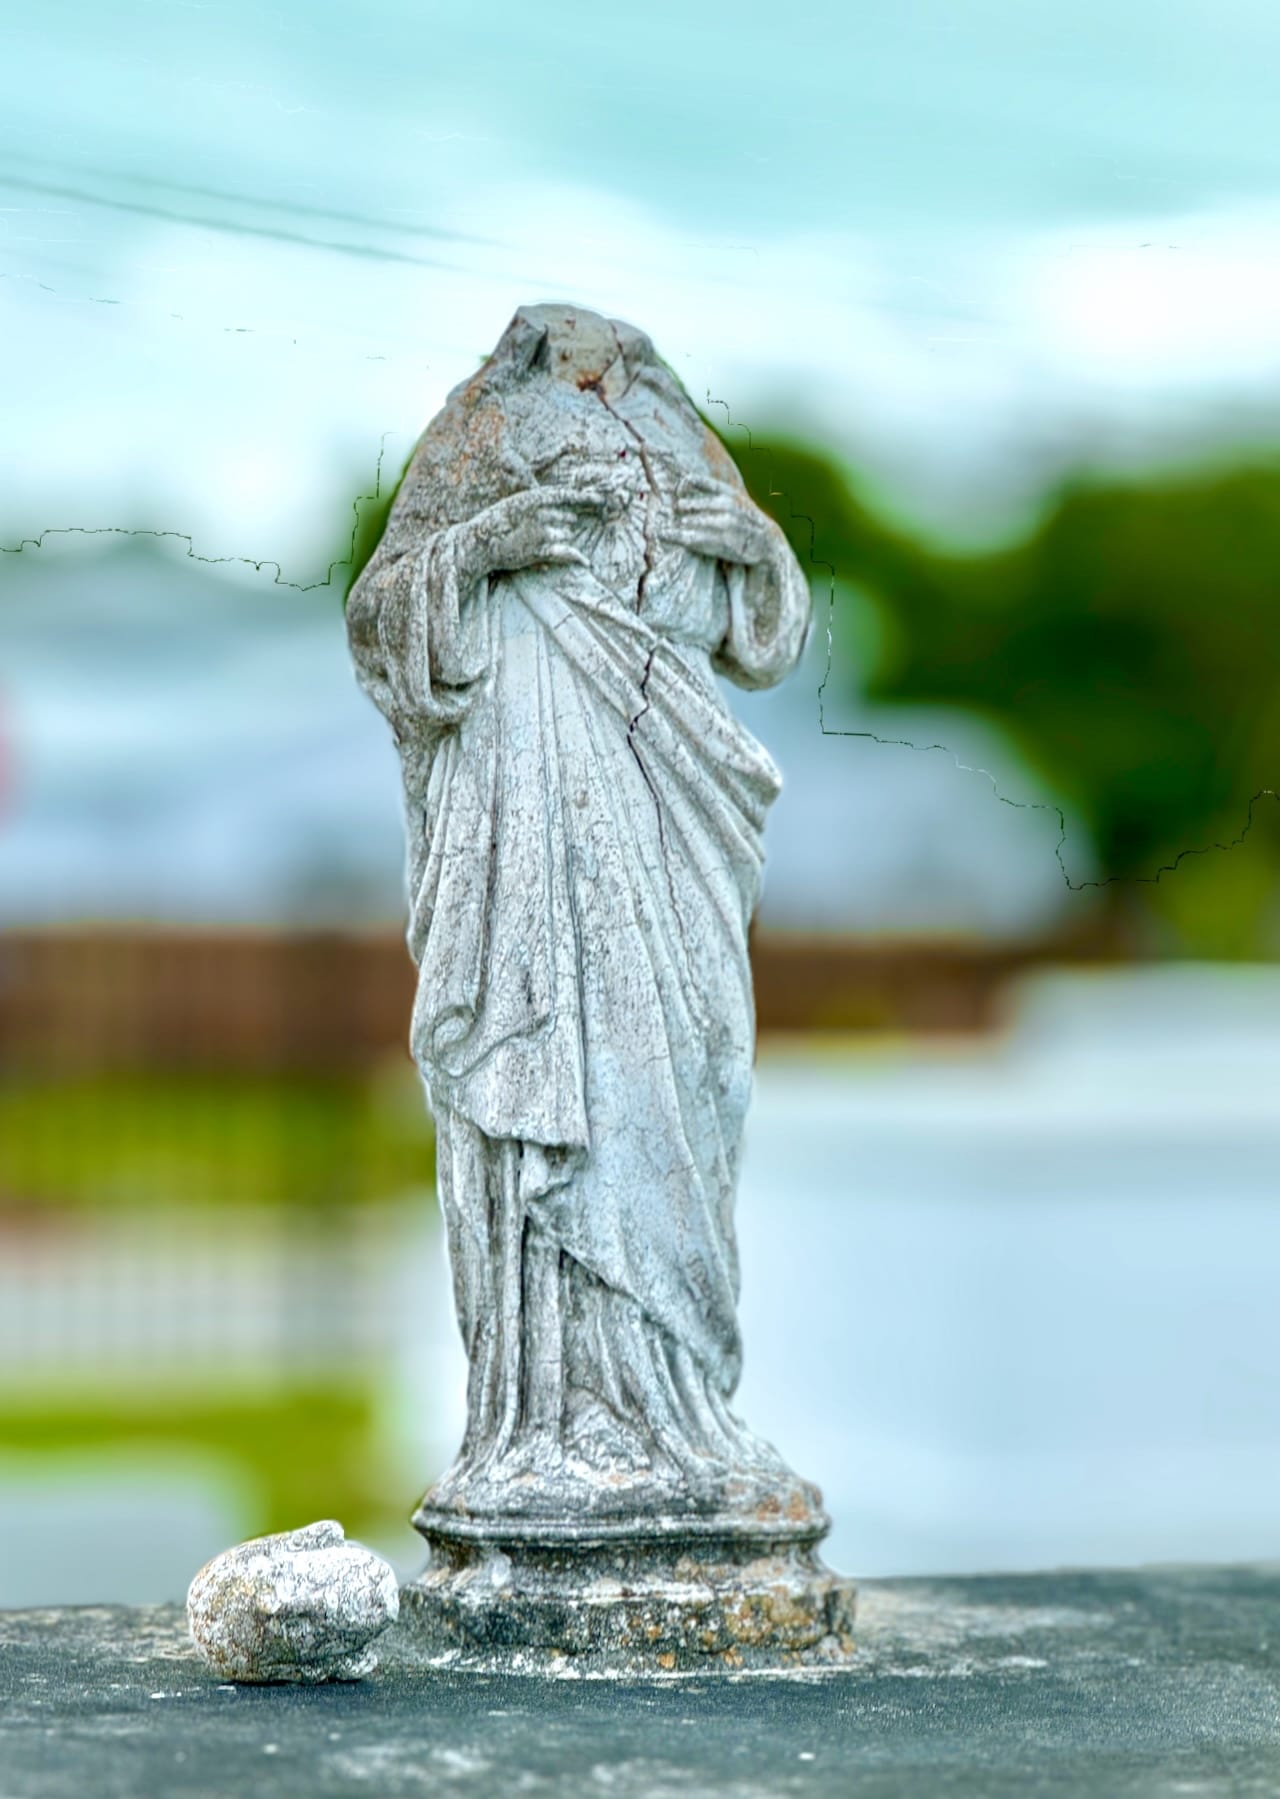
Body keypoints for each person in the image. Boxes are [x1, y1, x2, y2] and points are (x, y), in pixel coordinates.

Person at [347, 303, 817, 1532]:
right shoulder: (482, 429)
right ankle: (550, 1421)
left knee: (692, 1075)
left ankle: (684, 1409)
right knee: (557, 1080)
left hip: (674, 800)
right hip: (531, 799)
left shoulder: (678, 435)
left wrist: (755, 550)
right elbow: (381, 614)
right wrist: (487, 544)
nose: (593, 365)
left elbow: (754, 635)